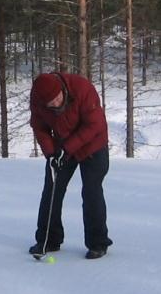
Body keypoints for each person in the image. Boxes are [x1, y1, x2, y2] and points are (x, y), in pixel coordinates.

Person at [29, 72, 113, 259]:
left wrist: (66, 149)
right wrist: (51, 154)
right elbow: (39, 127)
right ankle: (48, 240)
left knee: (91, 190)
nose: (57, 103)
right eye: (51, 103)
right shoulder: (37, 100)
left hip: (93, 144)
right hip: (62, 144)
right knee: (52, 189)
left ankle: (98, 243)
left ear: (62, 89)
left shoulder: (82, 88)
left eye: (58, 97)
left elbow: (94, 125)